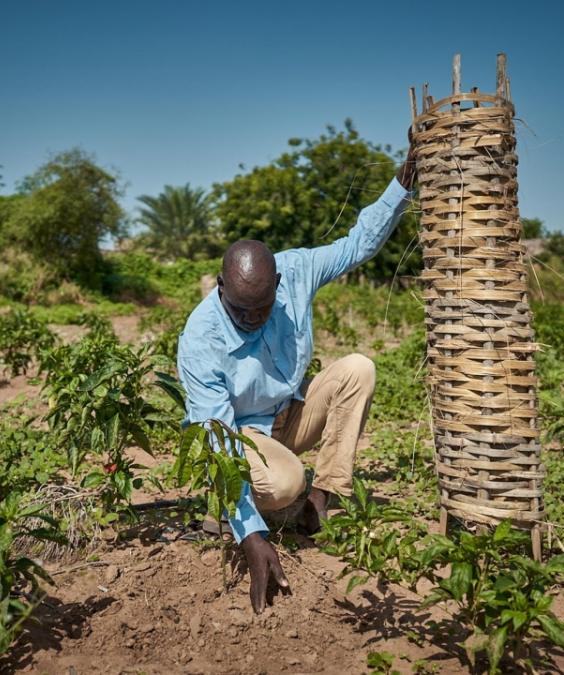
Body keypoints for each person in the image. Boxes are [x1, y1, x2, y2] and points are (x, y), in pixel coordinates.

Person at [176, 132, 416, 614]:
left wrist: (402, 184)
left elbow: (358, 245)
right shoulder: (200, 339)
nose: (251, 319)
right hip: (241, 436)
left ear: (278, 285)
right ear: (221, 285)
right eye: (240, 311)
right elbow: (219, 439)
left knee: (358, 369)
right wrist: (252, 536)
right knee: (284, 482)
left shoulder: (297, 271)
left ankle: (321, 501)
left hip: (290, 413)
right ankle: (238, 504)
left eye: (262, 309)